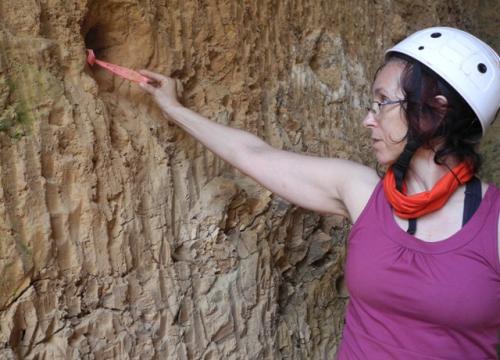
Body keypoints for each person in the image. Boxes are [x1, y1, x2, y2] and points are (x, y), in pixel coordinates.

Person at [139, 27, 500, 359]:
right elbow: (252, 154)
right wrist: (173, 109)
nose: (368, 120)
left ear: (436, 111)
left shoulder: (494, 225)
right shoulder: (362, 194)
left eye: (383, 102)